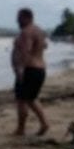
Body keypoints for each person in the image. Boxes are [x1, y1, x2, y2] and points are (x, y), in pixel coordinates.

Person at [11, 7, 49, 136]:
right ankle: (44, 123)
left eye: (19, 18)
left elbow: (26, 51)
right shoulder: (39, 31)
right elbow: (44, 46)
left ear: (26, 18)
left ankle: (21, 129)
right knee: (31, 99)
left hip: (29, 69)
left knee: (22, 100)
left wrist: (20, 68)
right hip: (40, 69)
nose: (17, 21)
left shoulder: (26, 32)